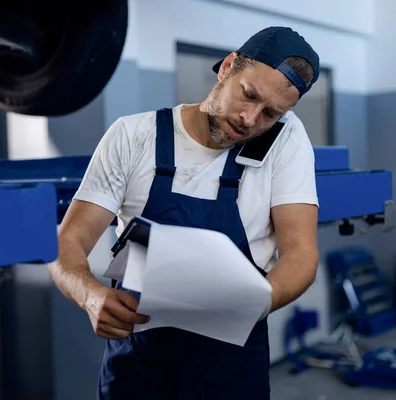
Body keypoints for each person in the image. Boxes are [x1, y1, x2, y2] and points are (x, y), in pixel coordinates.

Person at [48, 26, 321, 399]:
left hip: (231, 366)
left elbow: (301, 252)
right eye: (248, 95)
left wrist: (259, 301)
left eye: (270, 113)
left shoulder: (285, 140)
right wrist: (90, 295)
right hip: (137, 364)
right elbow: (67, 240)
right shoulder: (133, 136)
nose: (249, 119)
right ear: (227, 67)